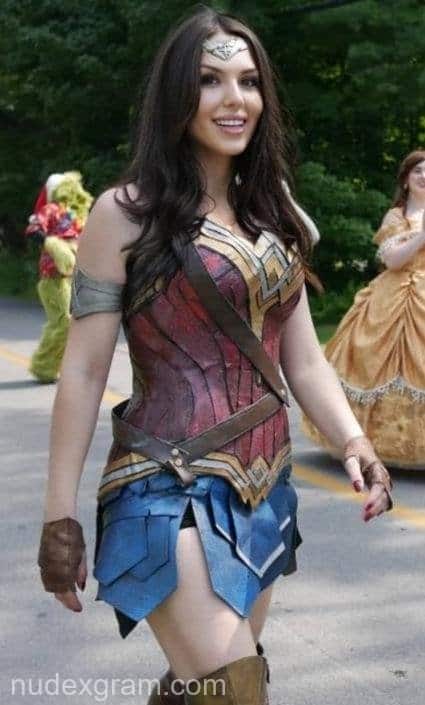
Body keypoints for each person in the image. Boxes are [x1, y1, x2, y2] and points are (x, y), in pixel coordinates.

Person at [37, 9, 393, 705]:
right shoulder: (124, 212)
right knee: (232, 689)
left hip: (264, 485)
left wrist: (356, 441)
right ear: (176, 94)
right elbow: (82, 370)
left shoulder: (273, 212)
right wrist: (58, 517)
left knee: (205, 686)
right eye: (209, 80)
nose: (235, 99)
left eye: (248, 81)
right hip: (162, 483)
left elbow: (302, 360)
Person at [303, 150, 425, 469]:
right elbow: (392, 260)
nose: (424, 176)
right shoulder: (396, 217)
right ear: (406, 180)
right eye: (418, 171)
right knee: (373, 362)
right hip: (393, 297)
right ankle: (376, 443)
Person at [25, 172, 93, 383]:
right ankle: (43, 365)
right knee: (64, 322)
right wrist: (54, 245)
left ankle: (61, 366)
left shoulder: (79, 215)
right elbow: (33, 230)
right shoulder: (51, 210)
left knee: (79, 325)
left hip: (77, 277)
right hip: (54, 277)